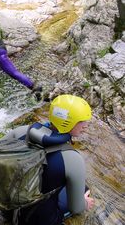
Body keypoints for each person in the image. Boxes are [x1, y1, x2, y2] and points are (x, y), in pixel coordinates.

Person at [16, 94, 95, 225]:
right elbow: (76, 208)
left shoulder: (20, 131)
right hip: (35, 220)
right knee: (84, 189)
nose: (86, 125)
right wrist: (84, 203)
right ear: (69, 122)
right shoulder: (73, 159)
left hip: (8, 205)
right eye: (82, 121)